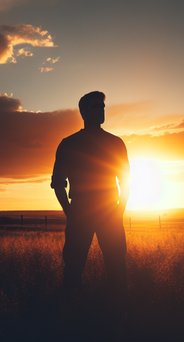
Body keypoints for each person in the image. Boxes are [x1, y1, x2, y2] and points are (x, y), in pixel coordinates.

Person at [51, 91, 130, 300]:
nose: (101, 110)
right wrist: (71, 212)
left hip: (109, 210)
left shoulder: (116, 143)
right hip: (81, 211)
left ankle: (118, 311)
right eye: (96, 106)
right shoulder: (69, 144)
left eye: (102, 106)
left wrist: (119, 209)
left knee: (116, 266)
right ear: (84, 112)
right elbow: (58, 183)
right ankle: (72, 312)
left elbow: (126, 180)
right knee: (74, 267)